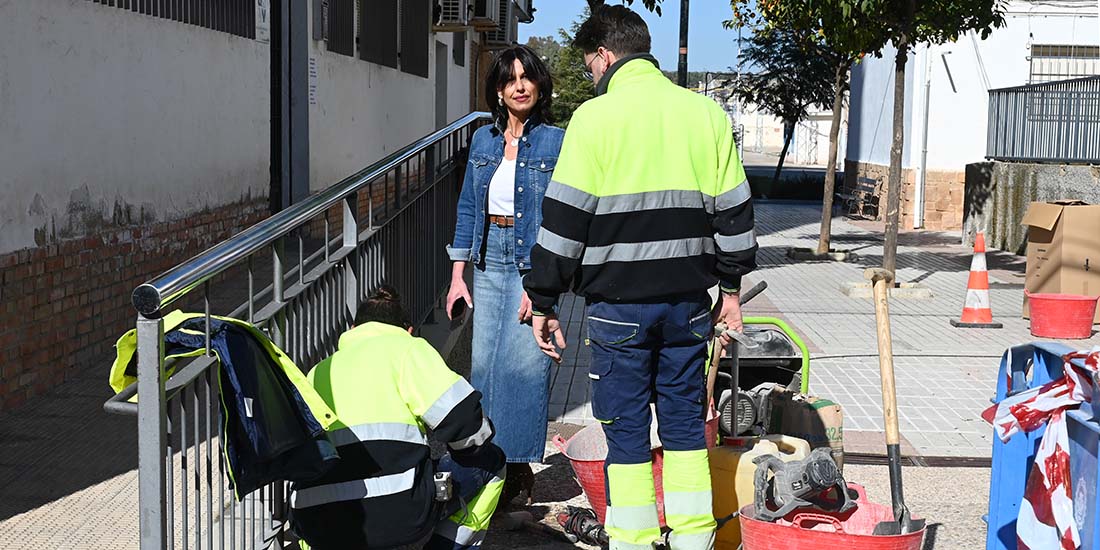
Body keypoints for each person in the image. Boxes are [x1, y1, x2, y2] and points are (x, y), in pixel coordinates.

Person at [522, 6, 757, 550]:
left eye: (589, 66)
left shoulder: (595, 120)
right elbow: (735, 215)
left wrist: (543, 300)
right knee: (682, 429)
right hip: (689, 308)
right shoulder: (705, 115)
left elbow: (564, 223)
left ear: (605, 55)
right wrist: (730, 291)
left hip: (617, 311)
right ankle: (694, 539)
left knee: (625, 432)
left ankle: (630, 540)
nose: (591, 77)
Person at [288, 286, 508, 550]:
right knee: (493, 462)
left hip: (317, 523)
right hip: (399, 515)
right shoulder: (407, 349)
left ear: (353, 328)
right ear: (409, 330)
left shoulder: (316, 372)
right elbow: (468, 427)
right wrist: (463, 454)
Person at [445, 45, 564, 501]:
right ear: (497, 91)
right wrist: (458, 275)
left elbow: (560, 216)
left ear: (538, 85)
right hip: (487, 255)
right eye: (509, 79)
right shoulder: (482, 141)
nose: (519, 86)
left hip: (533, 258)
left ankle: (515, 473)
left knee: (523, 362)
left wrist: (545, 283)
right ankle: (485, 462)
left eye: (527, 77)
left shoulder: (556, 141)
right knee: (485, 364)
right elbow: (468, 208)